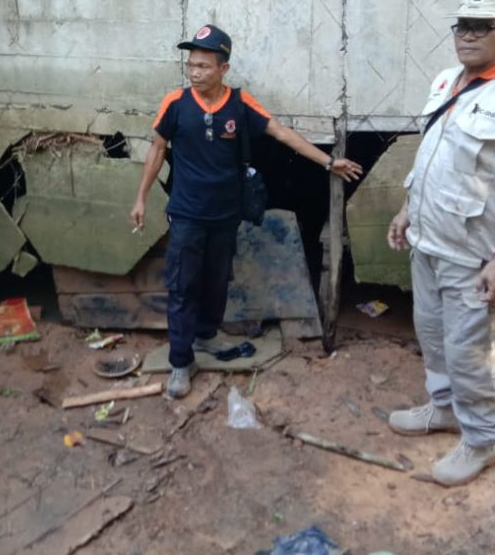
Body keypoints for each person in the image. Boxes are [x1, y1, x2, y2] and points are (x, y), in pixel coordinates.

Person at [130, 24, 363, 399]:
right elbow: (157, 150)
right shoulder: (175, 103)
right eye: (191, 65)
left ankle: (206, 333)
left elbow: (283, 134)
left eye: (203, 66)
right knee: (182, 286)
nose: (194, 72)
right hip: (187, 216)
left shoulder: (240, 104)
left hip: (225, 216)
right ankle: (180, 361)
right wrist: (141, 198)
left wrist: (327, 161)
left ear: (223, 68)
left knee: (217, 281)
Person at [386, 0, 495, 487]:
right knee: (434, 337)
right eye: (462, 25)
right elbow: (434, 158)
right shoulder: (446, 81)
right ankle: (442, 408)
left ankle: (483, 440)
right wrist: (406, 209)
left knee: (471, 349)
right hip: (430, 242)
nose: (469, 35)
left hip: (475, 255)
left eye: (484, 26)